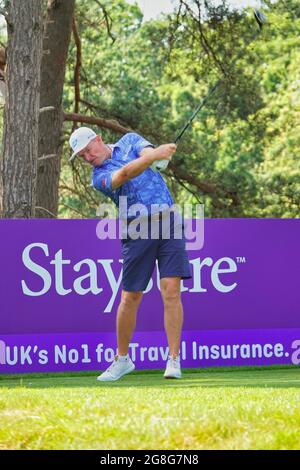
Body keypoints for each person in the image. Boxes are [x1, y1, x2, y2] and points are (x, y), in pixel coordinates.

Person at [69, 126, 192, 381]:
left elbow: (146, 152)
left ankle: (173, 360)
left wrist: (155, 155)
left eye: (88, 151)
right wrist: (156, 155)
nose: (88, 158)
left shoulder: (130, 141)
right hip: (136, 229)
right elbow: (125, 173)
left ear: (98, 140)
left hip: (169, 221)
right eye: (83, 156)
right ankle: (122, 359)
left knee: (171, 290)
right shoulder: (99, 176)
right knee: (130, 297)